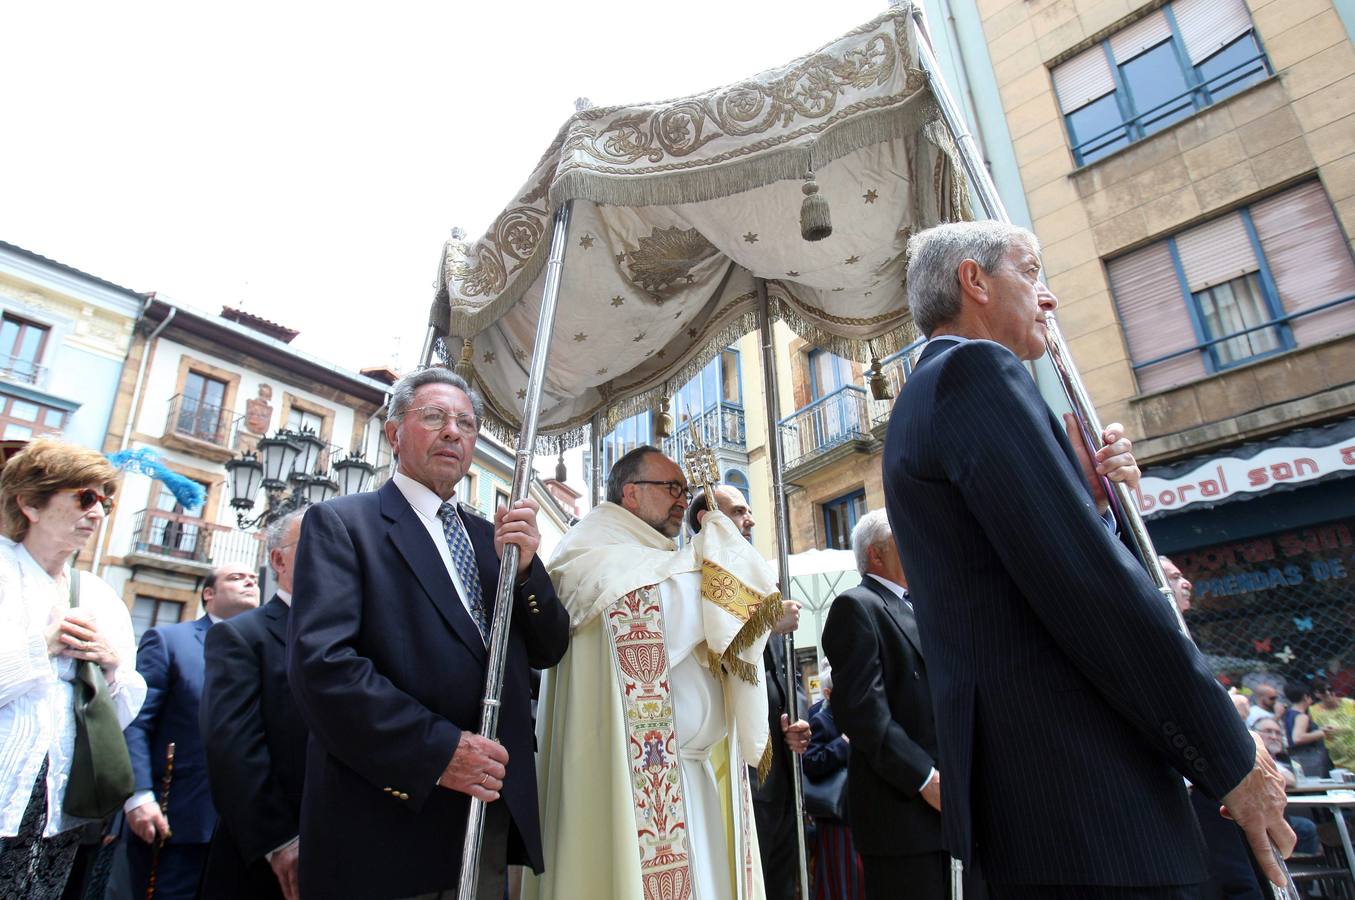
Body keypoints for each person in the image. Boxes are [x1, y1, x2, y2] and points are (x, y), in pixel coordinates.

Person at [882, 220, 1293, 897]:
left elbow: (1033, 566)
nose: (1048, 298)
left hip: (1049, 807)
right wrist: (1228, 752)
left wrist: (1101, 506)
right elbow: (1084, 589)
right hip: (1080, 800)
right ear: (973, 280)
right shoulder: (972, 371)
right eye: (1030, 272)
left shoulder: (931, 393)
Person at [287, 367, 569, 900]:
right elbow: (323, 668)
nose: (453, 433)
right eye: (434, 417)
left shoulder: (497, 539)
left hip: (488, 811)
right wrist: (439, 751)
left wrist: (529, 572)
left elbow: (549, 648)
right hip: (390, 818)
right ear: (394, 434)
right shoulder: (343, 524)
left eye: (465, 423)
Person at [527, 446, 782, 900]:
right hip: (630, 780)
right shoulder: (591, 549)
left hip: (695, 773)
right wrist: (717, 559)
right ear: (630, 493)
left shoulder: (659, 556)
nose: (683, 501)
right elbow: (652, 612)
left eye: (684, 490)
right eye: (672, 488)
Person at [0, 439, 146, 900]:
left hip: (57, 807)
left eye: (105, 500)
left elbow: (121, 713)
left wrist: (110, 666)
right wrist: (42, 645)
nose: (98, 512)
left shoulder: (100, 595)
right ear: (30, 503)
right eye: (84, 497)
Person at [821, 509, 966, 899]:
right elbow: (865, 714)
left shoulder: (925, 603)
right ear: (876, 555)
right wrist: (924, 778)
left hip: (950, 807)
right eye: (903, 537)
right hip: (903, 815)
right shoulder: (857, 606)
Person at [690, 483, 811, 898]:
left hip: (777, 772)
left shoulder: (758, 584)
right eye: (739, 511)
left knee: (780, 883)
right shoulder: (692, 580)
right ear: (708, 520)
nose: (752, 520)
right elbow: (709, 656)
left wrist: (797, 722)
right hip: (731, 771)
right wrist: (765, 624)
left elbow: (782, 678)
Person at [122, 561, 260, 899]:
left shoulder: (267, 648)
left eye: (254, 579)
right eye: (236, 577)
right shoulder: (170, 641)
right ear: (209, 593)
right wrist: (138, 795)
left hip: (247, 828)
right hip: (176, 821)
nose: (249, 583)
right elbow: (136, 722)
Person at [199, 509, 307, 900]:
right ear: (279, 560)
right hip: (268, 864)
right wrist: (279, 841)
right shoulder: (241, 637)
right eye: (314, 543)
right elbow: (233, 746)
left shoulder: (356, 633)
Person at [802, 663, 865, 900]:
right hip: (836, 818)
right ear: (828, 693)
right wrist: (843, 744)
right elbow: (811, 762)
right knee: (841, 883)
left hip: (855, 816)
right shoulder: (822, 720)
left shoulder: (854, 716)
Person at [1253, 719, 1319, 856]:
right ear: (1255, 735)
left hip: (1282, 813)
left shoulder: (1282, 759)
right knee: (1307, 827)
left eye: (1277, 733)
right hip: (1263, 818)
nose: (1274, 736)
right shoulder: (1256, 756)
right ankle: (1302, 871)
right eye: (1268, 731)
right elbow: (1289, 779)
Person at [1281, 684, 1333, 779]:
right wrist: (1322, 733)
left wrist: (1320, 730)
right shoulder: (1302, 716)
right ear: (1305, 697)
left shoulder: (1288, 714)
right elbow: (1297, 738)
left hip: (1297, 757)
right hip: (1310, 759)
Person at [1308, 680, 1355, 771]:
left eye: (1330, 689)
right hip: (1339, 760)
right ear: (1316, 694)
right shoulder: (1313, 711)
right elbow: (1312, 732)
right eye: (1322, 691)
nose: (1328, 693)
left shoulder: (1350, 704)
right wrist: (1321, 731)